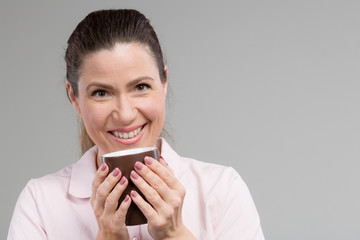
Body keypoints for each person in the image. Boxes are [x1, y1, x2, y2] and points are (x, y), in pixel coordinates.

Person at [8, 9, 265, 240]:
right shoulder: (40, 203)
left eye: (141, 87)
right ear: (74, 97)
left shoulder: (222, 190)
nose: (125, 114)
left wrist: (176, 235)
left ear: (164, 83)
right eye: (101, 92)